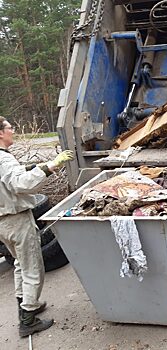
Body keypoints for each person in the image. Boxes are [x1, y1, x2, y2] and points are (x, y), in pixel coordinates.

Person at [0, 116, 74, 337]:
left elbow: (13, 176)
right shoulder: (4, 160)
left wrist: (37, 166)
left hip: (3, 223)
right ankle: (28, 320)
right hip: (17, 220)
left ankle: (27, 304)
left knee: (21, 265)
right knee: (33, 268)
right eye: (10, 128)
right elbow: (20, 183)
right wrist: (50, 166)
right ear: (0, 133)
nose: (13, 130)